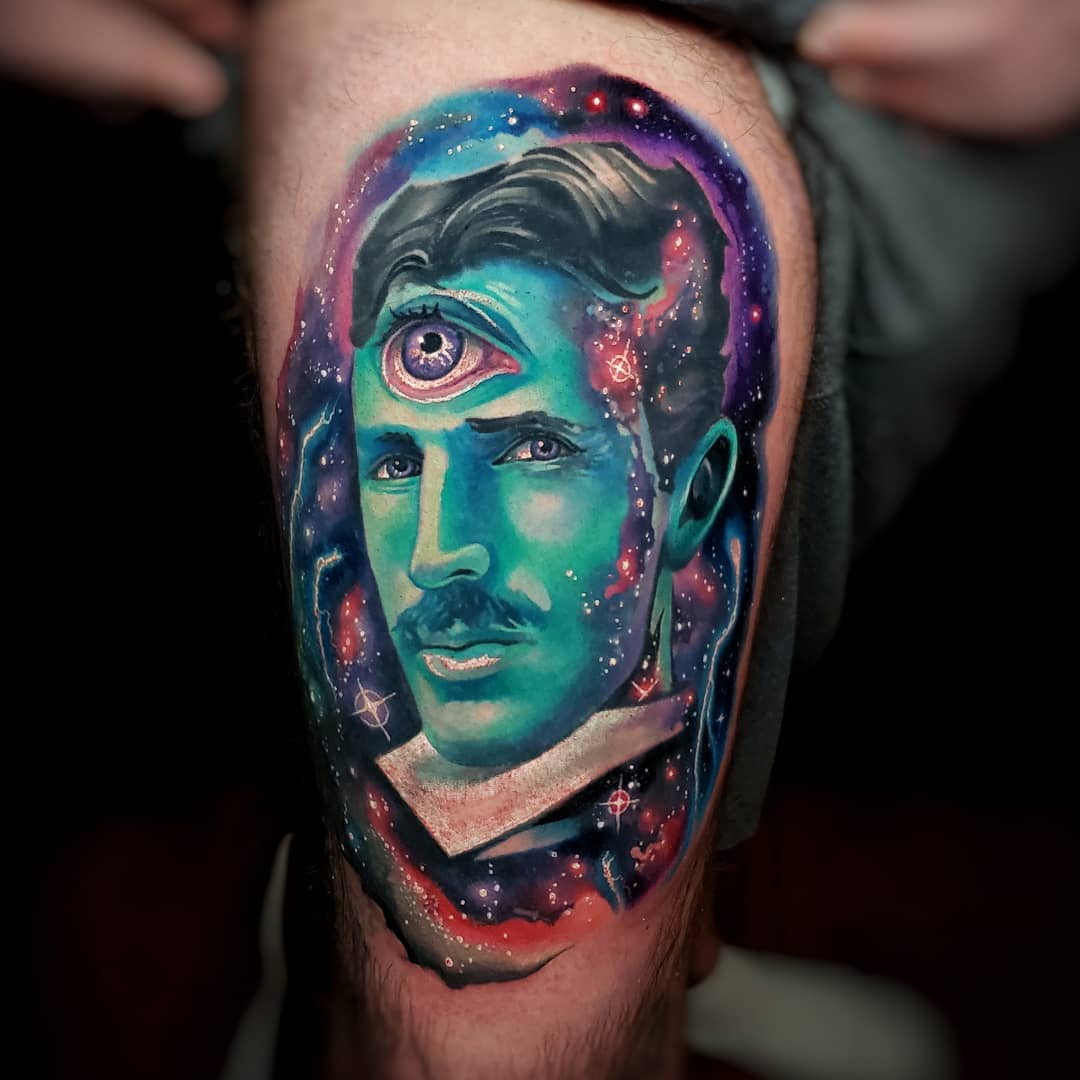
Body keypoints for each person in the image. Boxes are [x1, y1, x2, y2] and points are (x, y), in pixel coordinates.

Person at [344, 143, 741, 862]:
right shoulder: (377, 814)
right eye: (398, 464)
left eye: (534, 450)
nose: (436, 555)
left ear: (692, 495)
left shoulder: (629, 841)